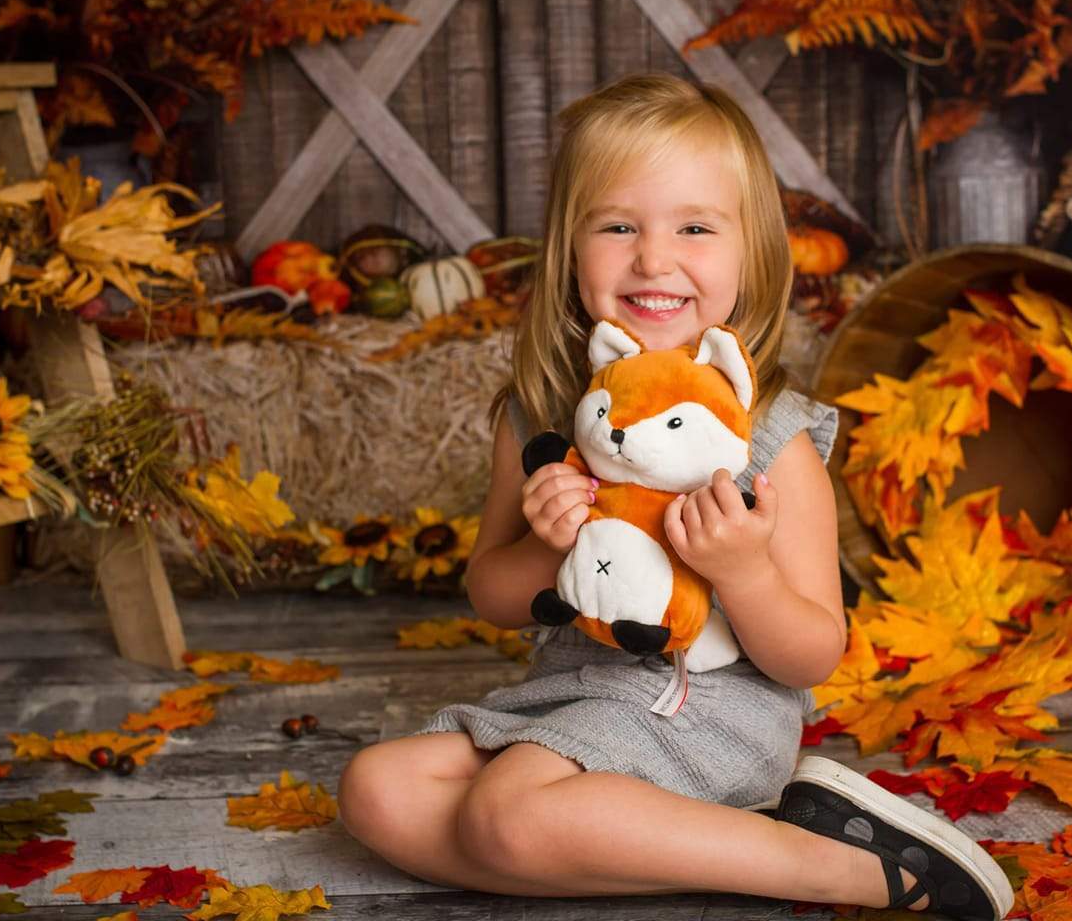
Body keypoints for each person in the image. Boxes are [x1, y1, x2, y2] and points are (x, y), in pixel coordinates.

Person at [338, 72, 1013, 921]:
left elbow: (811, 656)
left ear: (751, 255)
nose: (653, 259)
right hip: (573, 698)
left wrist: (744, 571)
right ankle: (685, 841)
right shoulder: (543, 417)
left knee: (503, 812)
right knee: (376, 792)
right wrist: (548, 544)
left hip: (705, 709)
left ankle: (840, 869)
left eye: (694, 227)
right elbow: (494, 598)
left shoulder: (771, 436)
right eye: (618, 226)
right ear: (568, 249)